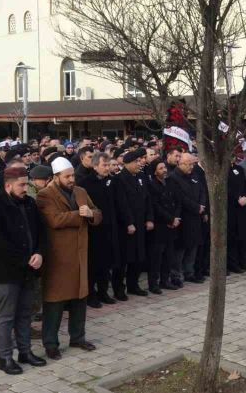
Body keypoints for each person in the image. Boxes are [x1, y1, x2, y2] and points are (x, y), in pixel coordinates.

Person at [36, 157, 102, 360]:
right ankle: (50, 343)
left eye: (73, 175)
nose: (72, 179)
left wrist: (90, 213)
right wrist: (79, 215)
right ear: (56, 177)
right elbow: (54, 220)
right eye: (67, 176)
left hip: (80, 254)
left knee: (79, 300)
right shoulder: (45, 195)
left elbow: (98, 213)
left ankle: (78, 337)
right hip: (59, 257)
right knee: (55, 303)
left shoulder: (80, 191)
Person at [0, 167, 46, 375]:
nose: (25, 188)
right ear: (8, 185)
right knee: (6, 316)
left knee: (24, 314)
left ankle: (25, 351)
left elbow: (40, 232)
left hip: (29, 269)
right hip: (7, 272)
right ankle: (5, 358)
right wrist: (25, 260)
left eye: (26, 184)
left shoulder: (30, 203)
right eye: (21, 185)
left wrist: (39, 253)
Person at [78, 153, 120, 304]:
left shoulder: (112, 181)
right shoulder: (85, 183)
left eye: (109, 165)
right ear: (95, 166)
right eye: (104, 165)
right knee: (93, 264)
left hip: (110, 227)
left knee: (107, 263)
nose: (107, 168)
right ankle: (91, 294)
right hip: (94, 229)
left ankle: (103, 292)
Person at [114, 149, 154, 296]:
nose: (139, 164)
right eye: (136, 162)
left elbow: (148, 199)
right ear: (127, 163)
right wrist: (129, 222)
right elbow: (122, 203)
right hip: (127, 226)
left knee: (138, 256)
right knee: (125, 257)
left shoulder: (141, 176)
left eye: (140, 161)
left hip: (141, 223)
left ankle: (133, 285)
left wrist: (149, 218)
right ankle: (119, 288)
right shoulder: (120, 179)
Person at [168, 153, 206, 284]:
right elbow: (181, 198)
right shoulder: (174, 177)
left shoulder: (193, 175)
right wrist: (196, 207)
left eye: (193, 164)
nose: (192, 167)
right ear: (182, 163)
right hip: (184, 217)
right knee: (181, 248)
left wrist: (202, 205)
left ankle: (189, 271)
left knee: (193, 246)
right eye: (190, 164)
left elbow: (202, 190)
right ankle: (176, 275)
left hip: (196, 217)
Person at [146, 159, 180, 293]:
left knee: (168, 255)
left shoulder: (170, 182)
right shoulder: (151, 185)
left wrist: (176, 217)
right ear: (155, 171)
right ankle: (153, 283)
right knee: (156, 257)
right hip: (160, 225)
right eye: (161, 168)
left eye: (164, 168)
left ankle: (165, 280)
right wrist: (170, 219)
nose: (164, 170)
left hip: (172, 225)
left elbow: (178, 200)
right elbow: (155, 206)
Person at [227, 154, 246, 273]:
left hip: (242, 207)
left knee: (241, 235)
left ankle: (242, 261)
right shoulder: (223, 171)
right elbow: (226, 188)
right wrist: (237, 198)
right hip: (230, 207)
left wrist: (245, 196)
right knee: (231, 236)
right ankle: (232, 263)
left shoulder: (239, 169)